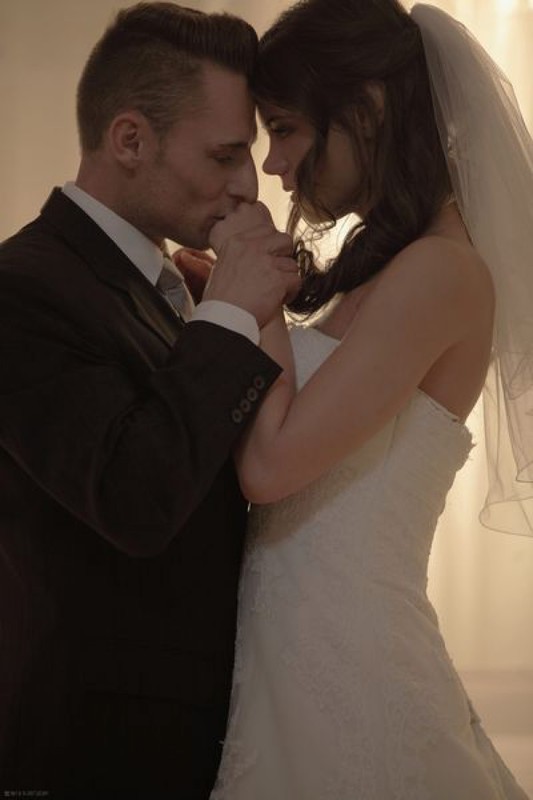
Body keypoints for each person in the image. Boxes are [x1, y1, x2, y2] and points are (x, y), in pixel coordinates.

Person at [209, 1, 533, 798]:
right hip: (291, 651)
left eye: (284, 128)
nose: (274, 165)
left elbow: (271, 468)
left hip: (351, 659)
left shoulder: (441, 270)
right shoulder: (391, 266)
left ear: (366, 109)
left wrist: (254, 307)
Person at [0, 2, 300, 797]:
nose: (248, 185)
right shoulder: (19, 290)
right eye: (225, 154)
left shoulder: (184, 283)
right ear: (130, 140)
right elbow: (134, 497)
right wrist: (229, 315)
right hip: (95, 754)